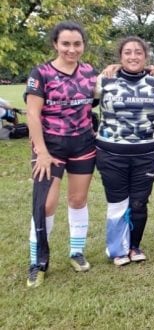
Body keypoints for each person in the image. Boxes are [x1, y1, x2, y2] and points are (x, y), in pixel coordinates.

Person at [24, 21, 98, 287]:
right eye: (65, 43)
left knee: (78, 200)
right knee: (45, 205)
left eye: (77, 44)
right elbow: (32, 114)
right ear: (56, 44)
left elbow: (101, 95)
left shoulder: (90, 72)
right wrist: (41, 152)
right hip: (49, 148)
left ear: (83, 46)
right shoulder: (41, 73)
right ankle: (38, 261)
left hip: (83, 145)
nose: (71, 49)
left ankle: (76, 252)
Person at [95, 36, 154, 266]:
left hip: (147, 154)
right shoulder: (104, 81)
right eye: (128, 52)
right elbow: (82, 107)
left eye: (138, 52)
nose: (133, 56)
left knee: (138, 203)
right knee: (117, 203)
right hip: (111, 154)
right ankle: (117, 250)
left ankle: (134, 246)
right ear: (120, 57)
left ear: (146, 57)